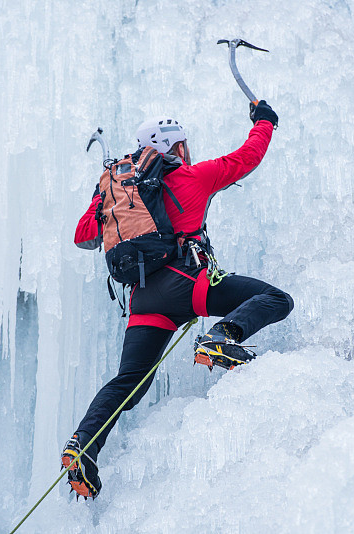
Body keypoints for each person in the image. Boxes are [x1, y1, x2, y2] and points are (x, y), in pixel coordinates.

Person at [61, 102, 293, 499]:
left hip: (146, 301)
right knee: (276, 298)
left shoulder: (117, 194)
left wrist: (103, 198)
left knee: (129, 383)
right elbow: (247, 157)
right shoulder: (193, 176)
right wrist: (265, 122)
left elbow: (84, 236)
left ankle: (82, 445)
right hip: (189, 283)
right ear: (175, 147)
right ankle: (221, 336)